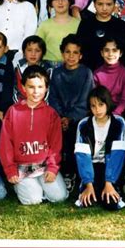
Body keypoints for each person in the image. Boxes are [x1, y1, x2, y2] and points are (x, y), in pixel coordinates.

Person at [0, 65, 68, 205]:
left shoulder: (51, 114)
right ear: (23, 87)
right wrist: (10, 169)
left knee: (60, 197)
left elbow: (55, 145)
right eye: (31, 87)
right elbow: (5, 144)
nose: (36, 92)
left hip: (43, 167)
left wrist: (53, 168)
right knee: (33, 200)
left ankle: (39, 187)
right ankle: (25, 187)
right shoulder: (13, 112)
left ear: (46, 88)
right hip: (21, 167)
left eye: (40, 87)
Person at [48, 34, 95, 193]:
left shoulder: (86, 73)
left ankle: (79, 173)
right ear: (62, 54)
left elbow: (85, 101)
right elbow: (53, 98)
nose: (71, 56)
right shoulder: (56, 73)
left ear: (81, 55)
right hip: (60, 118)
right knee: (60, 140)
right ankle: (65, 172)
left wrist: (70, 118)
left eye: (75, 53)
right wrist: (61, 117)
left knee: (76, 138)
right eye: (68, 52)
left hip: (79, 118)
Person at [74, 86, 125, 210]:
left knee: (111, 204)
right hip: (91, 166)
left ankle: (114, 187)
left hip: (110, 167)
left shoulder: (119, 123)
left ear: (108, 103)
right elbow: (82, 156)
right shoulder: (83, 124)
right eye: (93, 106)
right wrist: (88, 184)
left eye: (101, 104)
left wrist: (109, 182)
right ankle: (88, 187)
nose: (97, 109)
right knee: (88, 201)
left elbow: (118, 154)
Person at [76, 0, 125, 71]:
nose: (104, 8)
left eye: (108, 4)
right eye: (100, 4)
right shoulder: (85, 24)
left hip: (114, 76)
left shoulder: (121, 26)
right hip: (89, 75)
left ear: (114, 4)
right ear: (94, 4)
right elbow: (78, 51)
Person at [36, 0, 80, 67]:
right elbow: (38, 47)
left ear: (70, 1)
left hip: (72, 66)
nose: (60, 2)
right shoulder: (44, 25)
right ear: (51, 3)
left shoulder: (78, 24)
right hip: (48, 66)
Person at [93, 37, 125, 116]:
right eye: (107, 50)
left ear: (120, 53)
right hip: (100, 112)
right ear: (102, 53)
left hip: (119, 113)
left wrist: (114, 115)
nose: (110, 54)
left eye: (114, 50)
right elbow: (95, 99)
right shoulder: (97, 74)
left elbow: (124, 101)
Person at [12, 35, 53, 103]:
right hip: (21, 106)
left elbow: (48, 92)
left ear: (43, 53)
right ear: (24, 52)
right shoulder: (18, 69)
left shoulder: (48, 70)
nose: (33, 54)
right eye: (29, 50)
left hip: (42, 107)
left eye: (37, 51)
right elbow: (15, 91)